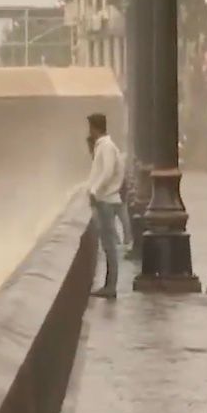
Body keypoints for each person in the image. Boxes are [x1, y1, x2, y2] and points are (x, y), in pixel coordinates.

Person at [85, 113, 125, 299]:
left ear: (95, 128)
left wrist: (95, 190)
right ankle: (109, 285)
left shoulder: (106, 147)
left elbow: (107, 172)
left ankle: (110, 286)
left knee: (109, 245)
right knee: (108, 244)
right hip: (106, 199)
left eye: (90, 128)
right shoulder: (104, 146)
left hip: (106, 201)